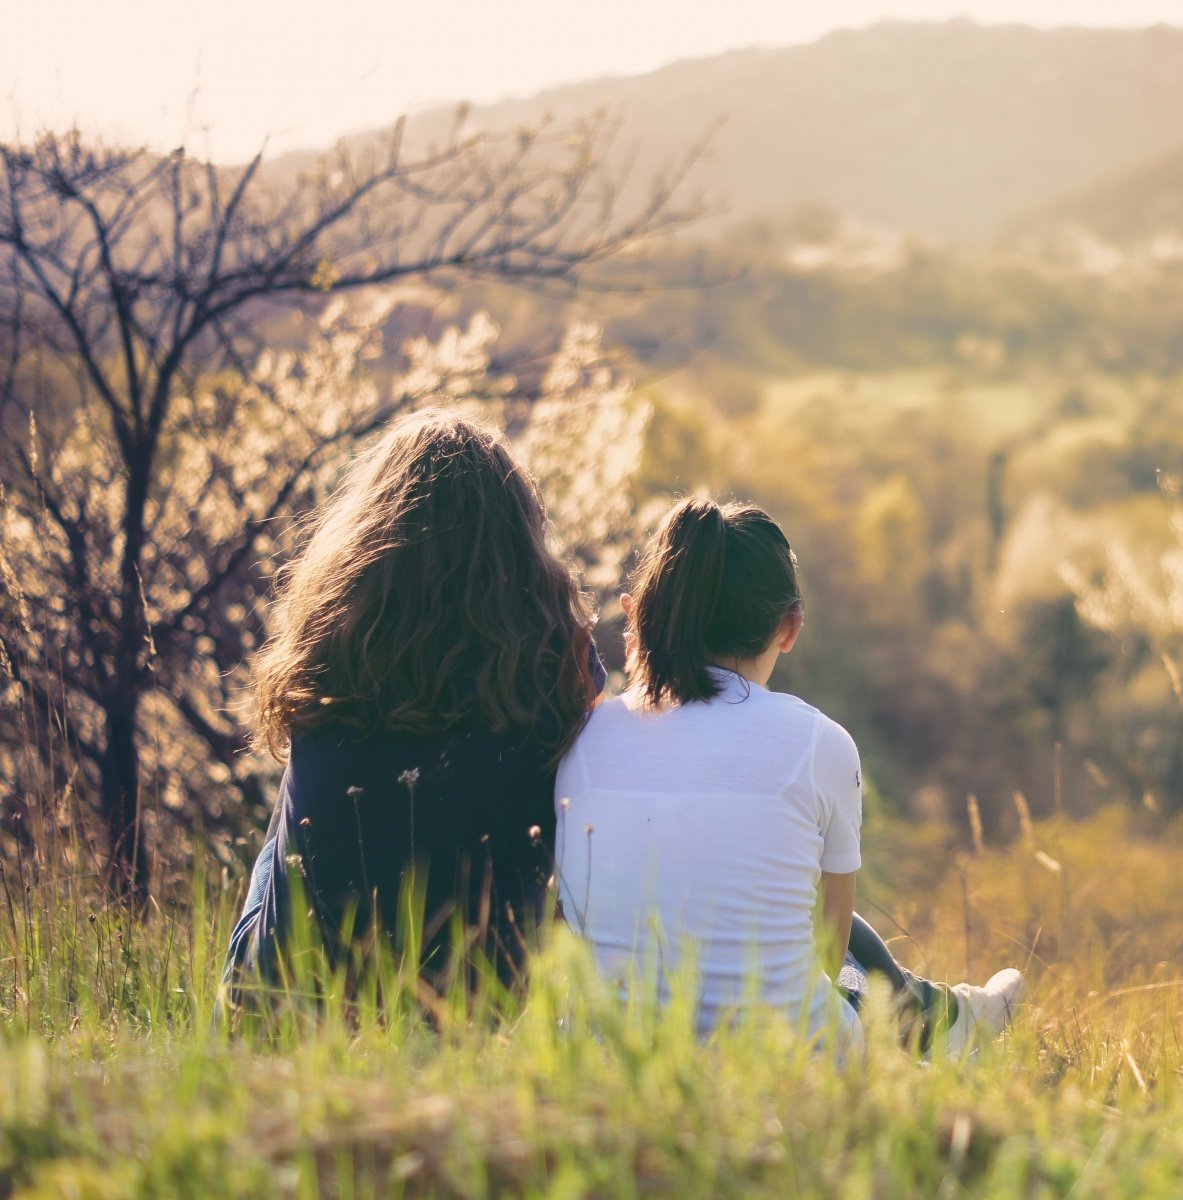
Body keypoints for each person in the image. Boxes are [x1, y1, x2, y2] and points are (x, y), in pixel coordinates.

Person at [555, 497, 1022, 1057]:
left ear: (641, 615)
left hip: (609, 1053)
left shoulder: (582, 740)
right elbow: (828, 950)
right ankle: (944, 1026)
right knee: (810, 929)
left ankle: (939, 1018)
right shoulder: (818, 744)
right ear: (790, 627)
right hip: (794, 1061)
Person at [223, 411, 602, 1000]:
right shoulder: (555, 658)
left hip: (287, 1005)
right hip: (482, 1005)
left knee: (282, 835)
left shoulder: (325, 645)